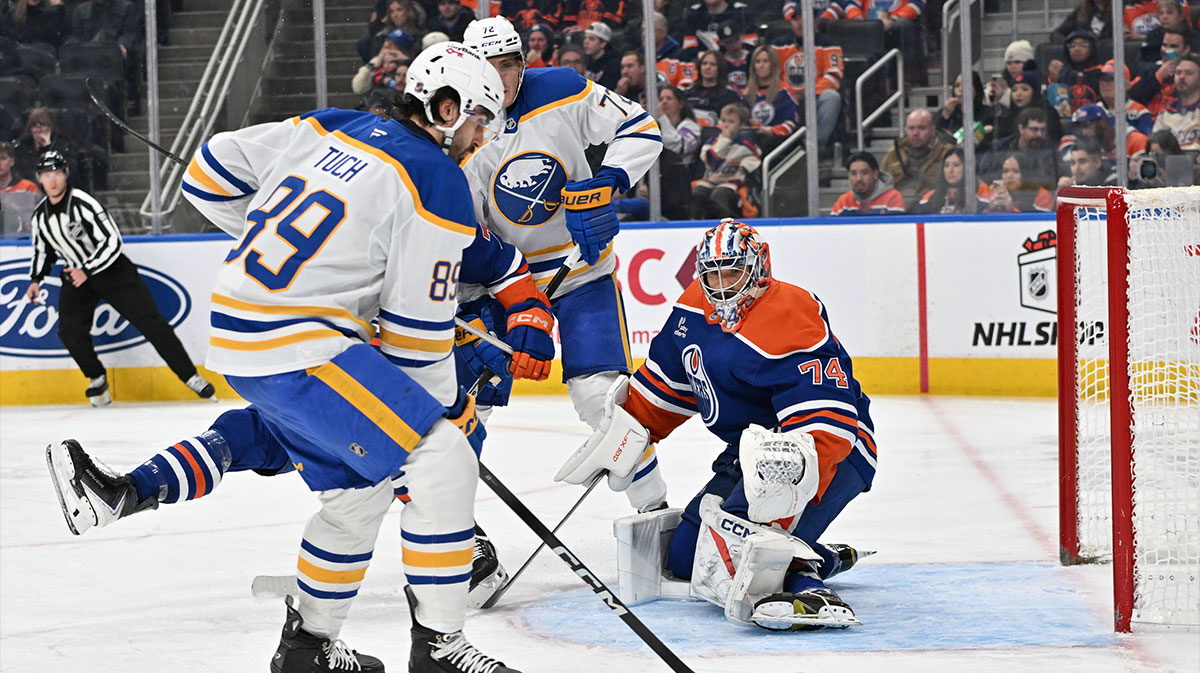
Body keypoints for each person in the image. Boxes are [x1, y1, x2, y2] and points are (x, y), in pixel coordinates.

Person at [48, 42, 520, 673]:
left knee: (356, 493)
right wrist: (449, 409)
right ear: (445, 106)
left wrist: (291, 247)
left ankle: (308, 650)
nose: (482, 137)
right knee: (442, 459)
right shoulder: (439, 180)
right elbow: (416, 335)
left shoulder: (334, 125)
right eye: (479, 119)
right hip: (302, 341)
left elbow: (209, 170)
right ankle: (439, 649)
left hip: (241, 328)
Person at [555, 220, 877, 631]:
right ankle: (818, 553)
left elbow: (827, 422)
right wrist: (622, 434)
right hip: (748, 453)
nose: (720, 284)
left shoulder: (792, 313)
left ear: (758, 269)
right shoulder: (693, 308)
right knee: (688, 559)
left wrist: (776, 512)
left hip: (830, 453)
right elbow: (664, 388)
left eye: (732, 271)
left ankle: (804, 576)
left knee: (751, 560)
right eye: (711, 272)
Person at [461, 17, 665, 509]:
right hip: (502, 287)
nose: (501, 79)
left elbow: (641, 127)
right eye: (488, 68)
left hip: (581, 273)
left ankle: (655, 511)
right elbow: (459, 236)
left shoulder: (560, 88)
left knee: (603, 398)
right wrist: (473, 303)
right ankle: (455, 538)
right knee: (465, 410)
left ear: (523, 64)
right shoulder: (456, 131)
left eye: (509, 66)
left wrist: (609, 179)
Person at [24, 151, 215, 406]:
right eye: (47, 175)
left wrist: (88, 269)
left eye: (57, 174)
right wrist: (36, 279)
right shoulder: (40, 216)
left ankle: (191, 376)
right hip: (77, 277)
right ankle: (97, 378)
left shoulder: (84, 203)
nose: (53, 180)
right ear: (40, 179)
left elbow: (113, 241)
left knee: (152, 323)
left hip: (112, 272)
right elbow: (41, 250)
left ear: (65, 175)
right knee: (69, 333)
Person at [772, 6, 844, 150]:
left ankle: (815, 147)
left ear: (815, 21)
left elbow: (834, 76)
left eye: (804, 18)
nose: (799, 23)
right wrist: (788, 94)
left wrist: (808, 94)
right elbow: (771, 75)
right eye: (795, 19)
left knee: (832, 97)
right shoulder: (778, 45)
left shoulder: (829, 44)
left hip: (814, 99)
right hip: (785, 99)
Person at [692, 102, 760, 219]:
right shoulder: (712, 142)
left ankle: (728, 224)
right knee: (698, 193)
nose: (726, 125)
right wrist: (725, 141)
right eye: (724, 121)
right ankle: (697, 223)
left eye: (731, 122)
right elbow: (711, 163)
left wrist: (746, 165)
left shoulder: (746, 144)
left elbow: (755, 159)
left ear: (741, 125)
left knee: (719, 195)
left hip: (733, 182)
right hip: (711, 180)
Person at [880, 108, 954, 211]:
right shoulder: (893, 154)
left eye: (921, 128)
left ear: (933, 130)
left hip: (934, 211)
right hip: (897, 211)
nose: (915, 133)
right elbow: (881, 185)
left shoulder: (947, 153)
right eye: (911, 128)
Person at [743, 45, 798, 154]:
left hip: (778, 141)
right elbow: (741, 120)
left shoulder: (784, 91)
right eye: (757, 62)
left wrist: (770, 131)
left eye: (765, 61)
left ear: (773, 64)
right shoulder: (747, 93)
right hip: (753, 140)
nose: (761, 65)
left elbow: (791, 123)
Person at [916, 148, 992, 214]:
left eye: (956, 165)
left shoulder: (982, 191)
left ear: (967, 168)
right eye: (946, 166)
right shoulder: (929, 197)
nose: (950, 170)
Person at [831, 151, 906, 216]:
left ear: (875, 174)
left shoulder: (892, 197)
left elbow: (896, 230)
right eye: (853, 173)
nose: (859, 178)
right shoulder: (843, 201)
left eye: (864, 173)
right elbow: (832, 230)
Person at [1152, 53, 1200, 149]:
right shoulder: (1165, 113)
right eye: (1178, 73)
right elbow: (1155, 146)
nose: (1181, 77)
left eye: (1189, 73)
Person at [680, 0, 753, 61]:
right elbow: (688, 48)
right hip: (703, 65)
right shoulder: (694, 13)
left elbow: (750, 46)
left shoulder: (740, 11)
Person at [683, 50, 741, 126]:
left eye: (713, 64)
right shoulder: (687, 93)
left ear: (720, 68)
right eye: (704, 64)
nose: (707, 67)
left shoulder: (730, 95)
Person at [984, 152, 1053, 213]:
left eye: (1016, 171)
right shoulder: (994, 193)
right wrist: (990, 209)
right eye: (1005, 171)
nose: (1009, 176)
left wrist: (1011, 209)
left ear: (1025, 174)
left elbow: (1039, 224)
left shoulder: (1042, 195)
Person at [0, 140, 42, 235]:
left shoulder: (28, 187)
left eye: (3, 158)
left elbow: (35, 219)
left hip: (22, 241)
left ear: (12, 162)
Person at [582, 21, 620, 89]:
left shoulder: (614, 65)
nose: (586, 42)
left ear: (603, 43)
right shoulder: (583, 60)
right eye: (585, 38)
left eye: (591, 39)